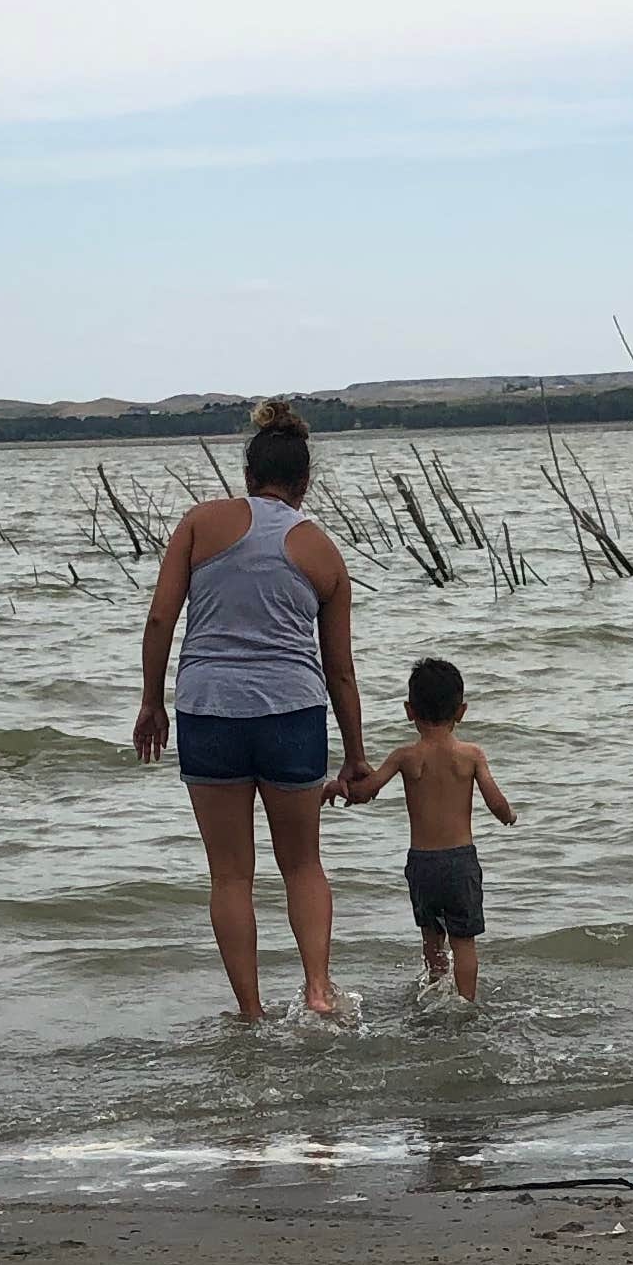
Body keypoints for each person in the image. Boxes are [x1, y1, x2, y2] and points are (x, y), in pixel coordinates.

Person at [132, 400, 365, 1021]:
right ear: (305, 482)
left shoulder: (198, 524)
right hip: (293, 714)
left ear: (248, 471)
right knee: (303, 864)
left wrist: (152, 701)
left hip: (209, 711)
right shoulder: (323, 551)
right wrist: (358, 754)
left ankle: (252, 1011)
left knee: (231, 877)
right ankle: (318, 992)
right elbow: (339, 669)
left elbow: (160, 620)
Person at [337, 653, 518, 1005]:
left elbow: (366, 791)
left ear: (409, 710)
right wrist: (509, 816)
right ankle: (465, 1002)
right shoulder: (471, 755)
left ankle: (434, 990)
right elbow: (496, 803)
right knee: (464, 941)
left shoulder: (405, 756)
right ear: (461, 712)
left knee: (431, 937)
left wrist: (338, 787)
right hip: (460, 862)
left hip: (421, 864)